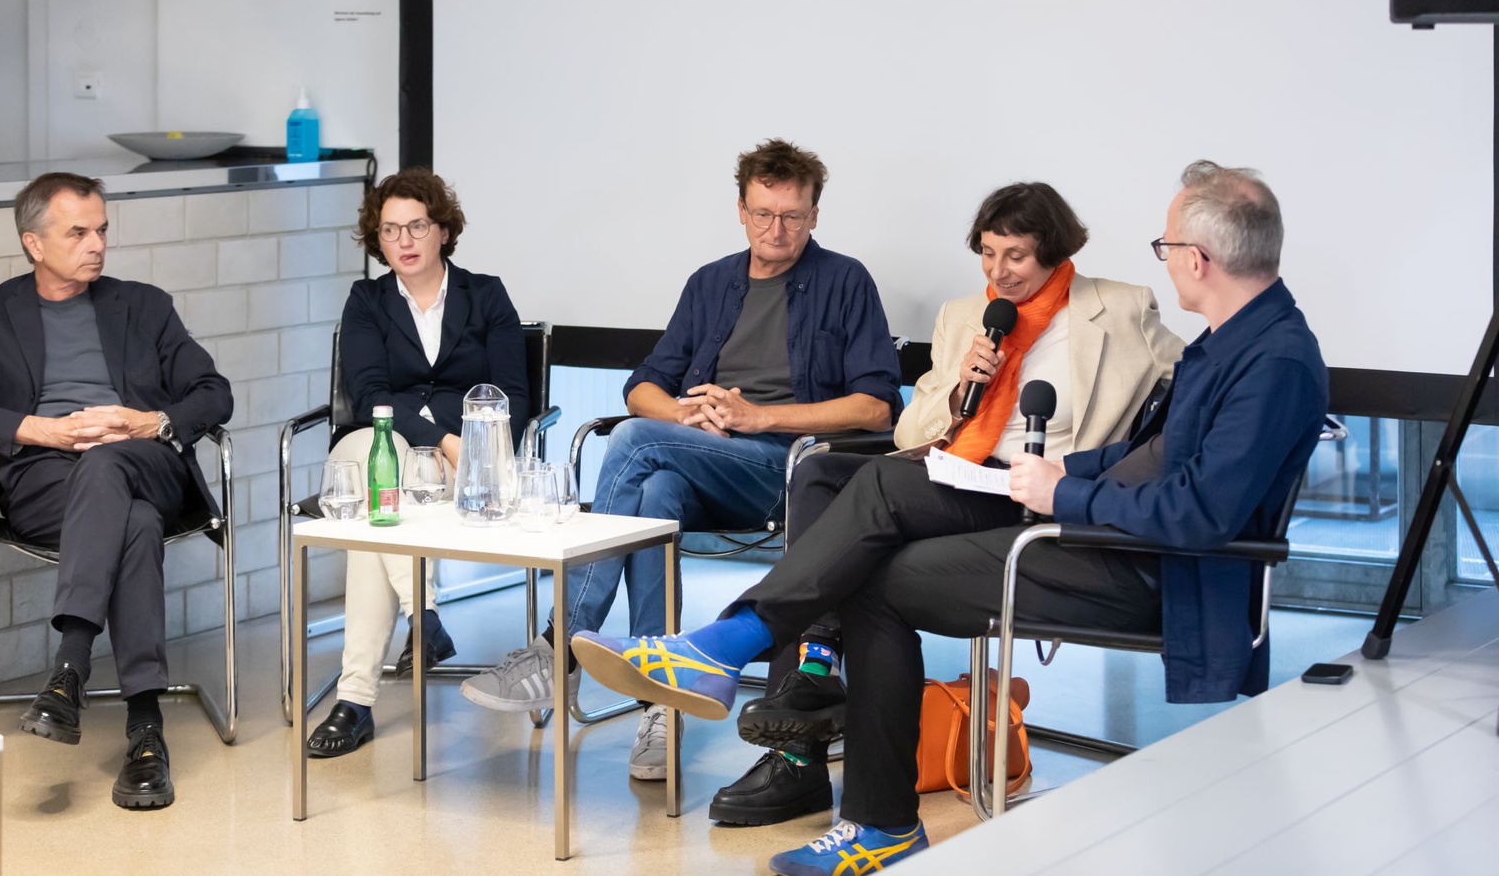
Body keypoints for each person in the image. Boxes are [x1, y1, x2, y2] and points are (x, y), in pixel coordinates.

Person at [571, 160, 1327, 874]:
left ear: (1199, 259)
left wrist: (1063, 494)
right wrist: (1063, 473)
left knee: (872, 546)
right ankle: (860, 801)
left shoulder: (1275, 361)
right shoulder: (1230, 343)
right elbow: (1147, 455)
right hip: (1098, 530)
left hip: (1147, 569)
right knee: (872, 526)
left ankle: (739, 660)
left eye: (1167, 246)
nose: (1164, 259)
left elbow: (1199, 514)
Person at [708, 181, 1183, 827]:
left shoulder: (1119, 308)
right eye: (987, 253)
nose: (998, 271)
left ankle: (769, 694)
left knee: (873, 504)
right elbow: (911, 430)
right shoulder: (965, 316)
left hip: (1035, 492)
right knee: (819, 472)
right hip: (959, 475)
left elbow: (1191, 394)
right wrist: (962, 388)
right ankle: (810, 681)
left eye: (1015, 255)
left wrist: (1114, 479)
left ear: (1053, 250)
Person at [461, 137, 904, 781]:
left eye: (792, 216)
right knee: (657, 489)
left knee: (635, 442)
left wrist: (760, 417)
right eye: (763, 214)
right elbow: (642, 387)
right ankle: (659, 704)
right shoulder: (711, 284)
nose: (776, 229)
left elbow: (877, 407)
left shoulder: (845, 281)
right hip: (706, 459)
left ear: (815, 214)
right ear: (741, 210)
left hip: (791, 470)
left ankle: (559, 646)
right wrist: (684, 416)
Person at [0, 172, 234, 811]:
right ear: (33, 243)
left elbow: (213, 392)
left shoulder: (144, 306)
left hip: (145, 460)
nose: (97, 245)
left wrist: (147, 422)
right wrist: (41, 429)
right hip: (43, 478)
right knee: (136, 524)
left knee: (108, 465)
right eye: (78, 233)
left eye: (101, 230)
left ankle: (69, 669)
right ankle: (145, 729)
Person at [306, 170, 528, 757]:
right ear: (377, 239)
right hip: (374, 442)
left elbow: (514, 397)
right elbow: (369, 396)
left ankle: (356, 701)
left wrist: (464, 445)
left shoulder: (487, 295)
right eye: (390, 230)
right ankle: (423, 617)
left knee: (374, 512)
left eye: (417, 226)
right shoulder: (367, 301)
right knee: (382, 467)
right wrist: (440, 436)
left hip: (463, 463)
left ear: (444, 231)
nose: (403, 240)